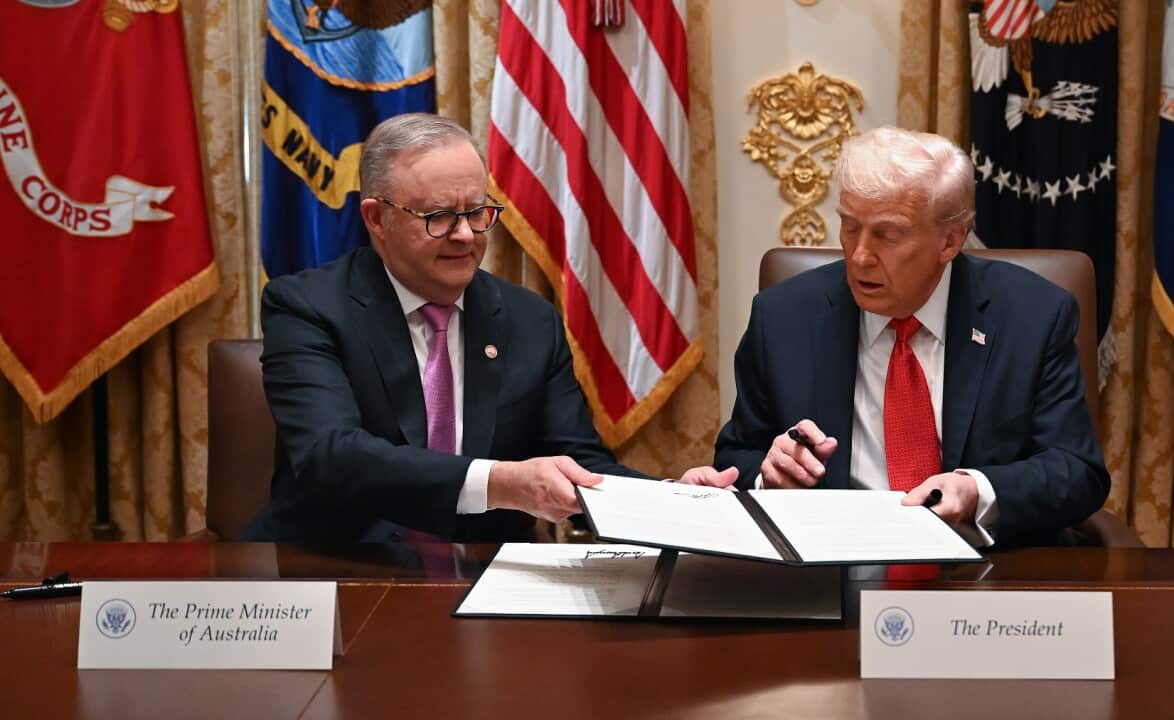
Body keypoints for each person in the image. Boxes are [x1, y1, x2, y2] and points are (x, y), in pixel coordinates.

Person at [245, 113, 734, 543]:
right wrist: (499, 483)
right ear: (377, 218)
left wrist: (669, 502)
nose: (465, 235)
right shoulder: (307, 306)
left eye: (477, 213)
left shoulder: (529, 319)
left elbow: (578, 462)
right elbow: (330, 455)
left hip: (487, 575)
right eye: (438, 217)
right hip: (340, 568)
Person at [714, 126, 1109, 548]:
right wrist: (769, 475)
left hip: (983, 573)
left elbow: (1076, 470)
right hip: (833, 567)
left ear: (950, 241)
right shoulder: (782, 317)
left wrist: (977, 490)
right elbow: (736, 457)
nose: (860, 255)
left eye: (888, 234)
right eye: (850, 227)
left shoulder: (1033, 317)